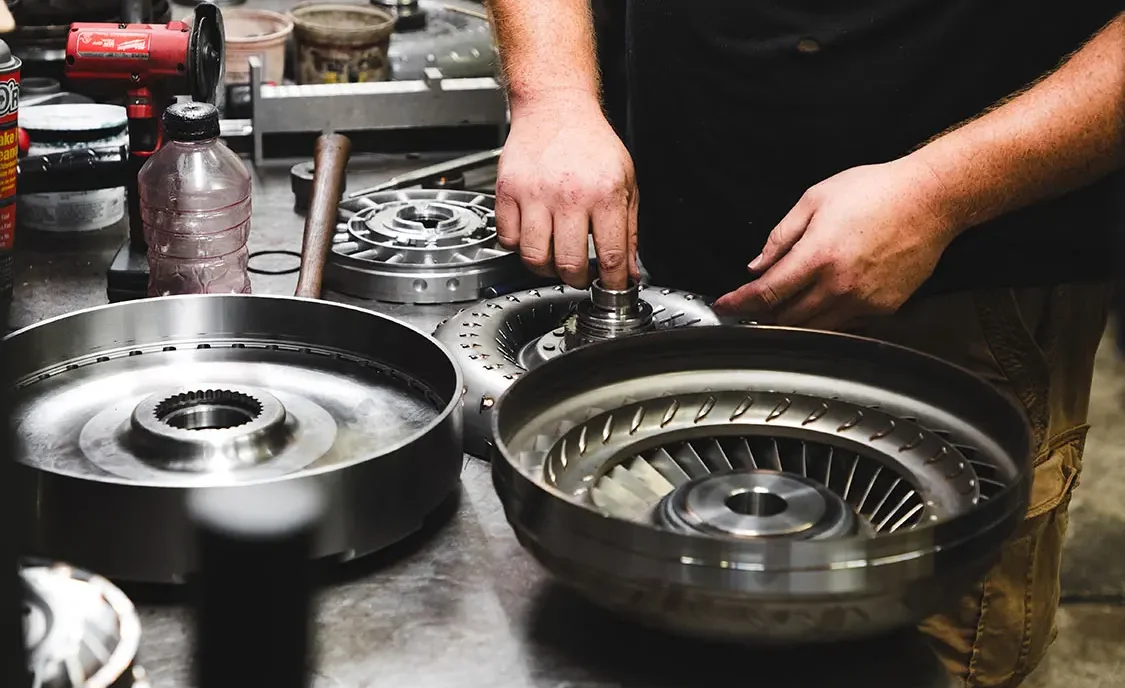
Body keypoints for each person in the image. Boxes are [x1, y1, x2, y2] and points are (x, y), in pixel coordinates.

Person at [484, 2, 1125, 687]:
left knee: (908, 661)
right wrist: (552, 96)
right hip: (672, 260)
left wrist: (942, 192)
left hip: (954, 299)